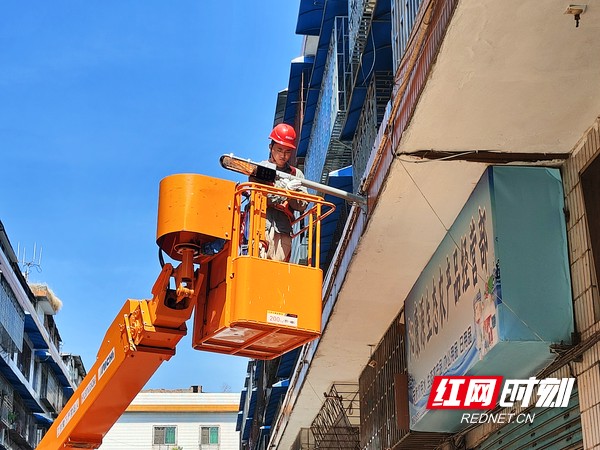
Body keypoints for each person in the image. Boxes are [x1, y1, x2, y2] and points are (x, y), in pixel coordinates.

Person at [251, 123, 308, 262]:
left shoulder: (296, 174)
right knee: (259, 263)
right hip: (261, 224)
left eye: (288, 151)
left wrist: (293, 193)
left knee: (278, 268)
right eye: (279, 149)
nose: (283, 155)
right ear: (271, 147)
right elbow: (263, 196)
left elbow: (302, 205)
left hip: (283, 229)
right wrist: (284, 191)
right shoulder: (260, 169)